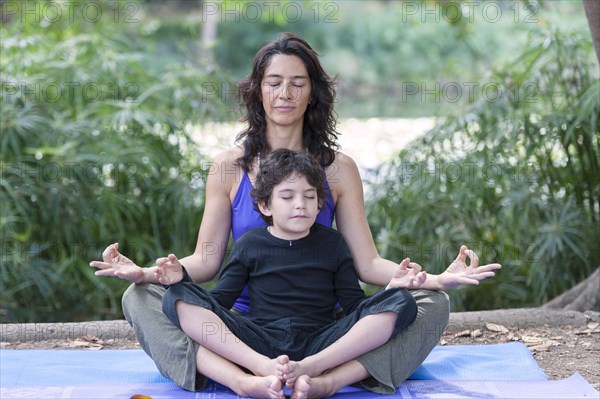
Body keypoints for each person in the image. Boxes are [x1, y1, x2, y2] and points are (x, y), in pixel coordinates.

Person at [90, 32, 501, 397]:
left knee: (432, 303)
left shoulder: (339, 168)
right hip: (242, 330)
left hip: (323, 328)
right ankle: (245, 378)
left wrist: (434, 279)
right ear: (258, 91)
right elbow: (207, 260)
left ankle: (327, 378)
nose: (285, 93)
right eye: (274, 82)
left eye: (297, 83)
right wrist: (146, 273)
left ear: (312, 94)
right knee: (140, 298)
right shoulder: (228, 167)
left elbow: (367, 263)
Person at [155, 149, 422, 398]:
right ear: (265, 206)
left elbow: (354, 305)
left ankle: (312, 369)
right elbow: (220, 302)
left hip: (322, 341)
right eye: (287, 197)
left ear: (320, 204)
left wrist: (390, 290)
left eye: (309, 197)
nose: (300, 205)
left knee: (402, 302)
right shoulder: (250, 244)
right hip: (258, 340)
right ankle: (261, 369)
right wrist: (183, 281)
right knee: (175, 297)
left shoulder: (333, 243)